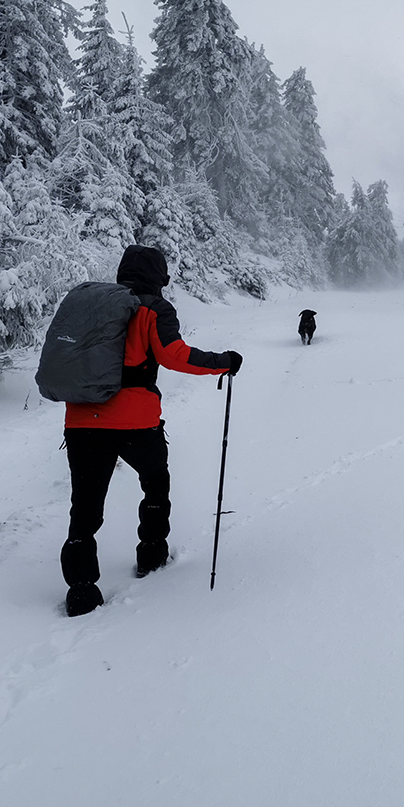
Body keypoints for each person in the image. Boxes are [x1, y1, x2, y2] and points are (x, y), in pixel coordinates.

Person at [60, 245, 242, 616]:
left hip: (81, 420)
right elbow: (174, 355)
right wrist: (222, 362)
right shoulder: (152, 309)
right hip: (135, 421)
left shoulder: (93, 303)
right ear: (160, 277)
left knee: (85, 505)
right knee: (155, 480)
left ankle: (80, 590)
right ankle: (152, 553)